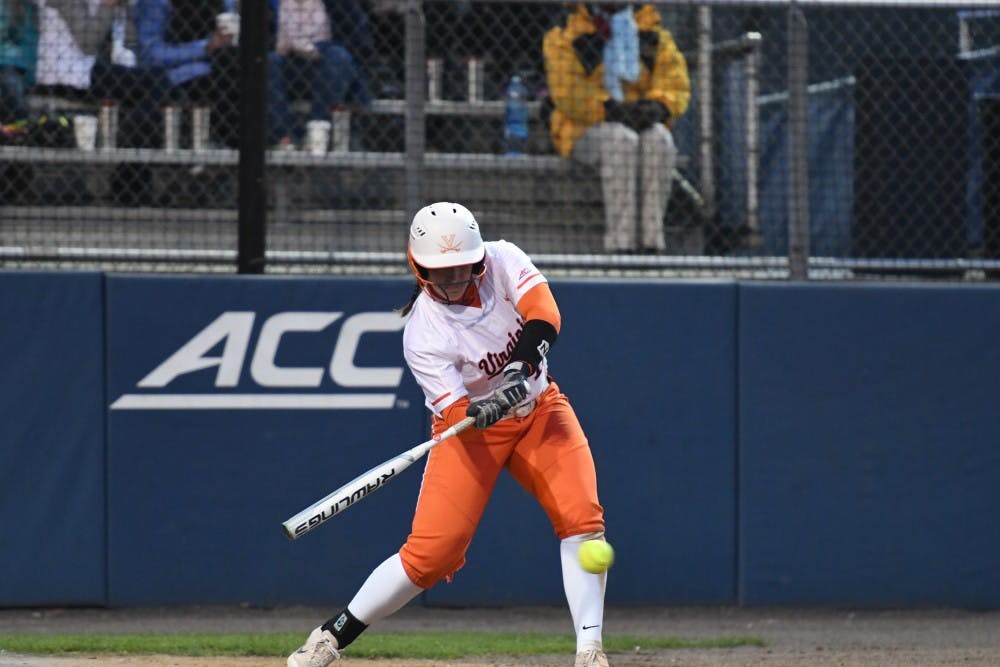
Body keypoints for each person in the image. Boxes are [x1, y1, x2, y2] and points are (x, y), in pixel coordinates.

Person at [287, 202, 612, 667]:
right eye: (441, 272)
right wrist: (483, 411)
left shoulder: (503, 260)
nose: (454, 280)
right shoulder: (423, 334)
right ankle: (331, 636)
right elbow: (458, 411)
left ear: (477, 259)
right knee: (431, 556)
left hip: (541, 410)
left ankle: (590, 651)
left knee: (583, 519)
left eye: (462, 267)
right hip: (472, 435)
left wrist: (519, 369)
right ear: (419, 269)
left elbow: (545, 313)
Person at [543, 3, 690, 254]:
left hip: (640, 123)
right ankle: (621, 247)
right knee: (620, 140)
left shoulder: (653, 33)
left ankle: (651, 243)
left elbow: (674, 83)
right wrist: (611, 110)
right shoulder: (566, 32)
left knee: (660, 138)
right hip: (583, 128)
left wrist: (656, 107)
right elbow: (568, 93)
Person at [134, 0, 242, 147]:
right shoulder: (157, 3)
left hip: (224, 65)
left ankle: (240, 143)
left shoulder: (225, 2)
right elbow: (150, 55)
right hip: (178, 75)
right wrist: (205, 47)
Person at [268, 0, 372, 148]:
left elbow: (360, 45)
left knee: (338, 56)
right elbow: (258, 40)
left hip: (327, 68)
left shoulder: (339, 3)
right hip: (288, 67)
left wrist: (320, 49)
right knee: (269, 61)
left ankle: (317, 131)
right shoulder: (271, 4)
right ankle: (285, 139)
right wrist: (278, 46)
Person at [0, 0, 38, 125]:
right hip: (11, 65)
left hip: (11, 65)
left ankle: (19, 124)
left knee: (10, 84)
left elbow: (26, 42)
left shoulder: (21, 7)